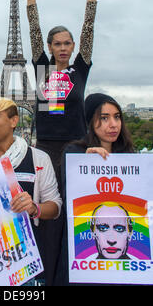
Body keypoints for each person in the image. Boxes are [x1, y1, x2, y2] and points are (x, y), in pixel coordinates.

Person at [20, 0, 103, 285]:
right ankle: (47, 274)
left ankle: (76, 270)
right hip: (46, 149)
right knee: (47, 213)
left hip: (77, 147)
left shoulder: (81, 69)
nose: (64, 47)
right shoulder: (41, 68)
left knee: (77, 211)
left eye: (68, 42)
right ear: (50, 48)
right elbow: (33, 31)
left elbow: (89, 30)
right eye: (58, 43)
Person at [0, 97, 62, 285]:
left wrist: (34, 208)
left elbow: (55, 207)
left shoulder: (39, 159)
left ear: (13, 121)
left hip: (24, 265)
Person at [59, 93, 134, 285]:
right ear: (90, 122)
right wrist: (84, 162)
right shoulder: (75, 152)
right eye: (104, 118)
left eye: (117, 117)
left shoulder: (129, 157)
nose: (113, 124)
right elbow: (68, 199)